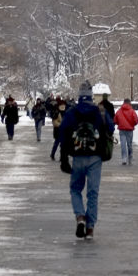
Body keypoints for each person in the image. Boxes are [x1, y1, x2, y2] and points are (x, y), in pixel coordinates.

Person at [58, 81, 114, 240]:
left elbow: (62, 133)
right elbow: (111, 128)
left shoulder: (71, 112)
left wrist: (63, 159)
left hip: (77, 155)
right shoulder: (100, 111)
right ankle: (90, 228)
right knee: (93, 192)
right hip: (95, 156)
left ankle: (80, 216)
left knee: (75, 189)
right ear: (91, 95)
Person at [114, 97, 138, 165]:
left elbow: (115, 120)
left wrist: (119, 123)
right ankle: (130, 156)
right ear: (129, 103)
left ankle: (124, 158)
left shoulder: (119, 111)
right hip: (129, 130)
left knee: (123, 144)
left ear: (124, 103)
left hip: (122, 130)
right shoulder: (132, 111)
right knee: (129, 144)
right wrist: (132, 124)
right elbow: (136, 120)